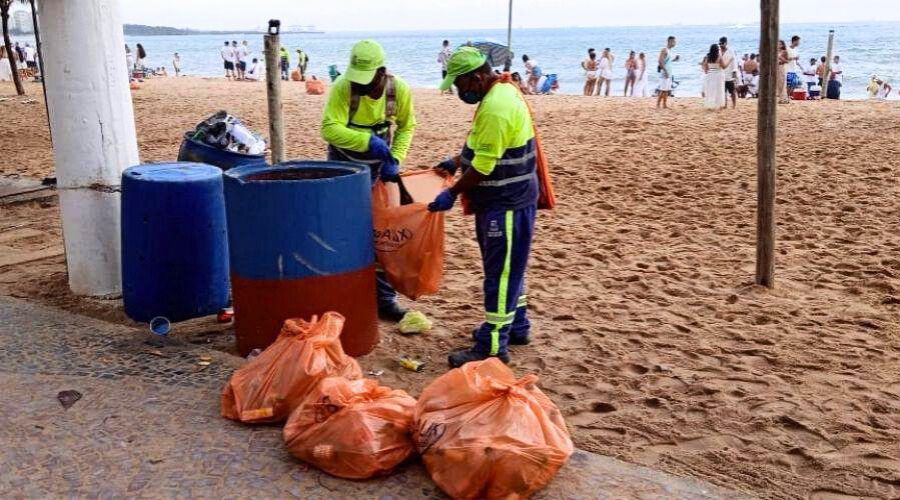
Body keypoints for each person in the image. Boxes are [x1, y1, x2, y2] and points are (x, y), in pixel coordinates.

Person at [431, 46, 540, 368]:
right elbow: (483, 147)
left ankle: (493, 344)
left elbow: (484, 167)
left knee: (500, 274)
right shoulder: (501, 91)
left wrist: (452, 192)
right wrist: (455, 162)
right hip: (509, 199)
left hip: (505, 202)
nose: (458, 91)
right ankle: (516, 325)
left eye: (460, 84)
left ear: (477, 77)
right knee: (510, 268)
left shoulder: (496, 107)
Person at [320, 40, 416, 322]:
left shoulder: (398, 90)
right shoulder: (343, 87)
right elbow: (329, 129)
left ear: (382, 71)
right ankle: (344, 292)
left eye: (368, 80)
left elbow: (407, 126)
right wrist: (365, 140)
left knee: (381, 233)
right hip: (343, 166)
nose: (361, 85)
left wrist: (394, 159)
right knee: (343, 229)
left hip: (379, 168)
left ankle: (384, 299)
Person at [657, 35, 679, 109]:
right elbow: (660, 61)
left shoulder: (669, 51)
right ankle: (658, 104)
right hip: (665, 73)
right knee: (663, 90)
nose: (675, 43)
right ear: (670, 41)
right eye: (674, 41)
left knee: (666, 90)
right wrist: (665, 71)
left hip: (669, 72)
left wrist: (675, 59)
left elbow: (668, 62)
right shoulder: (664, 50)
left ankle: (664, 105)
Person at [703, 44, 726, 109]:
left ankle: (710, 105)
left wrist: (707, 72)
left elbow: (705, 67)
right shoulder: (719, 57)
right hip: (718, 75)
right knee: (719, 90)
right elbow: (724, 67)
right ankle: (718, 104)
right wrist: (729, 61)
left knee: (710, 90)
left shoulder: (708, 57)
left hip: (710, 75)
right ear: (717, 50)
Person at [719, 37, 738, 109]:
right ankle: (725, 104)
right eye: (720, 43)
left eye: (722, 43)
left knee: (732, 90)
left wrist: (734, 71)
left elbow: (734, 61)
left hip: (729, 73)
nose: (721, 45)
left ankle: (734, 105)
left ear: (726, 43)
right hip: (721, 73)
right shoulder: (719, 51)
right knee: (723, 91)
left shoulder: (731, 51)